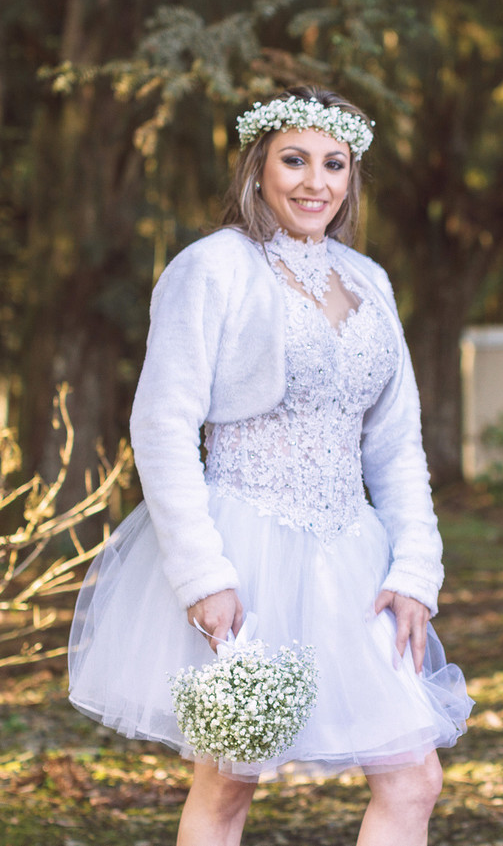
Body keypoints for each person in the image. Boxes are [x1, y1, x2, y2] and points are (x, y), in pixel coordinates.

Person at [68, 85, 472, 846]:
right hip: (242, 546)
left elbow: (395, 443)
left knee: (414, 777)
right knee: (229, 783)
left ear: (351, 177)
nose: (315, 181)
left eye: (334, 164)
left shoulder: (370, 282)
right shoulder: (213, 268)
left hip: (353, 558)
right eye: (295, 160)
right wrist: (203, 574)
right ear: (259, 168)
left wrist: (417, 566)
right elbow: (161, 424)